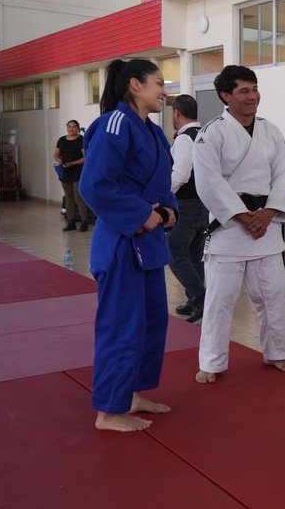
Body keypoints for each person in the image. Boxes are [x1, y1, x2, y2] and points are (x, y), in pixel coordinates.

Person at [79, 59, 177, 432]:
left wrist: (169, 210)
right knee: (121, 327)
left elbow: (163, 184)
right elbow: (94, 185)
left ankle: (131, 393)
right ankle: (108, 411)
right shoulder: (114, 124)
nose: (164, 91)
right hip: (122, 242)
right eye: (159, 83)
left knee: (151, 323)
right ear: (135, 84)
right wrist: (141, 214)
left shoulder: (154, 132)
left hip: (148, 244)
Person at [192, 65, 285, 383]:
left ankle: (276, 352)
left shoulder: (271, 131)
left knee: (275, 296)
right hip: (229, 228)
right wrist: (240, 215)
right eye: (244, 91)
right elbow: (208, 181)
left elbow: (283, 173)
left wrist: (268, 213)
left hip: (265, 226)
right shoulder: (211, 133)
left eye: (255, 89)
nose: (253, 96)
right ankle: (211, 362)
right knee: (220, 300)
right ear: (226, 96)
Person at [167, 94, 208, 324]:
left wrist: (165, 195)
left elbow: (181, 174)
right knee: (194, 254)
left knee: (173, 251)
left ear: (177, 113)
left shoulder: (184, 138)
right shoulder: (205, 134)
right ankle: (194, 299)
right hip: (203, 203)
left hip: (187, 204)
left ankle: (201, 298)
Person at [55, 120, 90, 232]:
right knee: (68, 197)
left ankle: (84, 221)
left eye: (74, 127)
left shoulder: (81, 140)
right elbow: (56, 155)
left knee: (78, 196)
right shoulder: (61, 140)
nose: (71, 129)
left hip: (78, 171)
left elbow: (86, 157)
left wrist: (73, 163)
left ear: (78, 129)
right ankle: (71, 222)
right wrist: (59, 160)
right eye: (69, 126)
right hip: (65, 171)